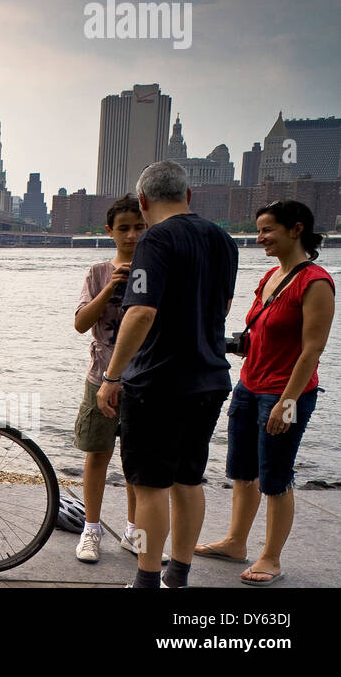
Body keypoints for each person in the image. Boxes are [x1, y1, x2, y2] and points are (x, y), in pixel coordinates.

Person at [96, 162, 237, 589]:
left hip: (157, 382)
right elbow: (225, 307)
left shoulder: (155, 239)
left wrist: (113, 376)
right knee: (189, 480)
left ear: (143, 201)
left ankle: (146, 579)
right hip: (209, 378)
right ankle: (178, 575)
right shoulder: (223, 240)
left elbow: (139, 312)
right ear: (188, 196)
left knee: (151, 484)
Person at [196, 200, 333, 586]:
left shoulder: (315, 282)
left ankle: (270, 558)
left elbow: (312, 350)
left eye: (268, 229)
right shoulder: (271, 278)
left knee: (275, 477)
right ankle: (236, 542)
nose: (260, 238)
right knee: (241, 472)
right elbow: (260, 333)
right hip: (249, 385)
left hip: (284, 393)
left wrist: (287, 403)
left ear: (296, 229)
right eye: (259, 230)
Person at [71, 195, 147, 563]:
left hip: (143, 376)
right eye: (124, 228)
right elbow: (81, 323)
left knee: (137, 459)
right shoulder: (98, 271)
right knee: (97, 454)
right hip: (100, 374)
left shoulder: (157, 268)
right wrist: (110, 288)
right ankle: (91, 528)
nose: (132, 235)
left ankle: (135, 530)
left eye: (139, 226)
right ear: (110, 232)